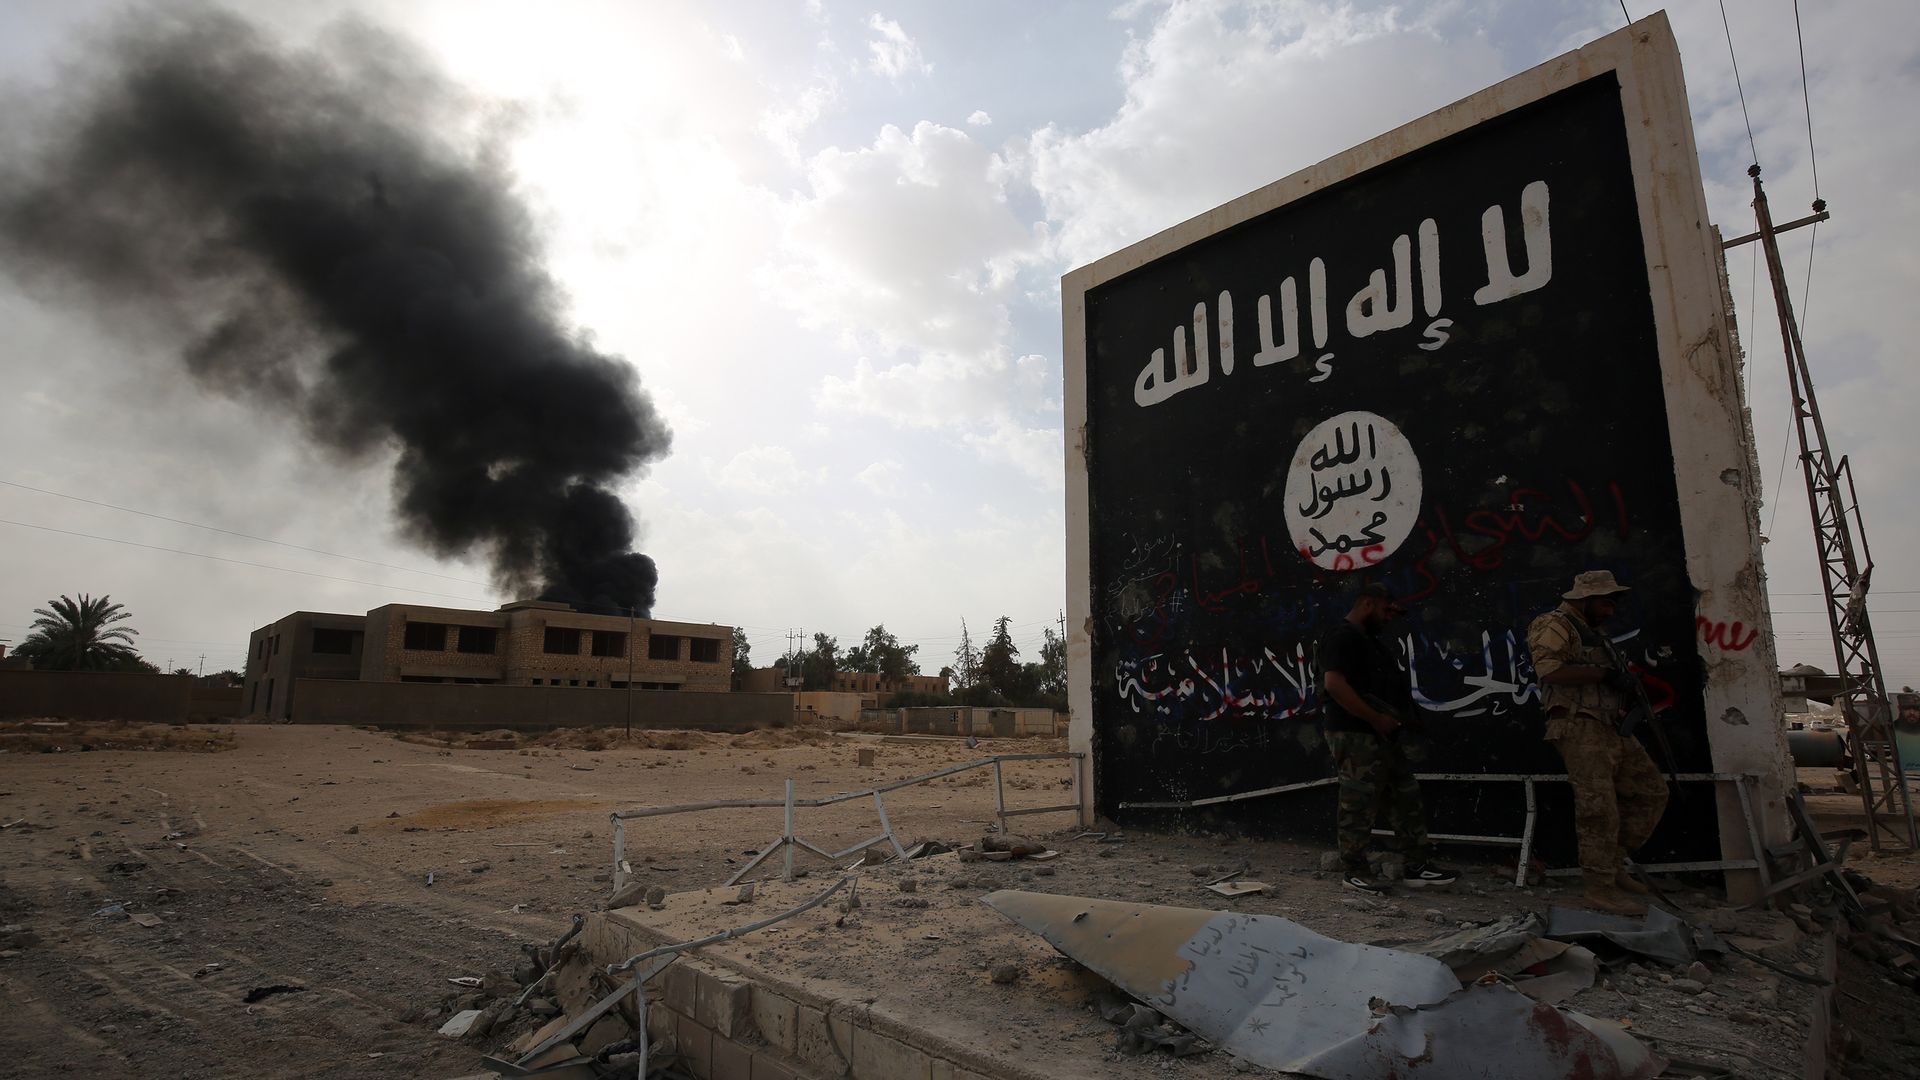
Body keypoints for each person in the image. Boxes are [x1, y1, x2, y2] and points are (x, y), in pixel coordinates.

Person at [1527, 570, 1670, 915]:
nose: (1610, 610)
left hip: (1610, 727)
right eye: (1606, 602)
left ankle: (1613, 863)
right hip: (1579, 727)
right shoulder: (1556, 624)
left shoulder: (1595, 632)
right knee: (1598, 809)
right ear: (1585, 597)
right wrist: (1605, 675)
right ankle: (1600, 887)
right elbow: (1549, 671)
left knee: (1651, 791)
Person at [1319, 582, 1455, 894]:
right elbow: (1334, 685)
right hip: (1355, 733)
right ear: (1367, 603)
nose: (1388, 617)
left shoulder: (1369, 641)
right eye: (1385, 610)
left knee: (1404, 795)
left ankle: (1417, 865)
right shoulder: (1342, 636)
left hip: (1380, 732)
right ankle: (1355, 870)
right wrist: (1375, 718)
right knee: (1358, 801)